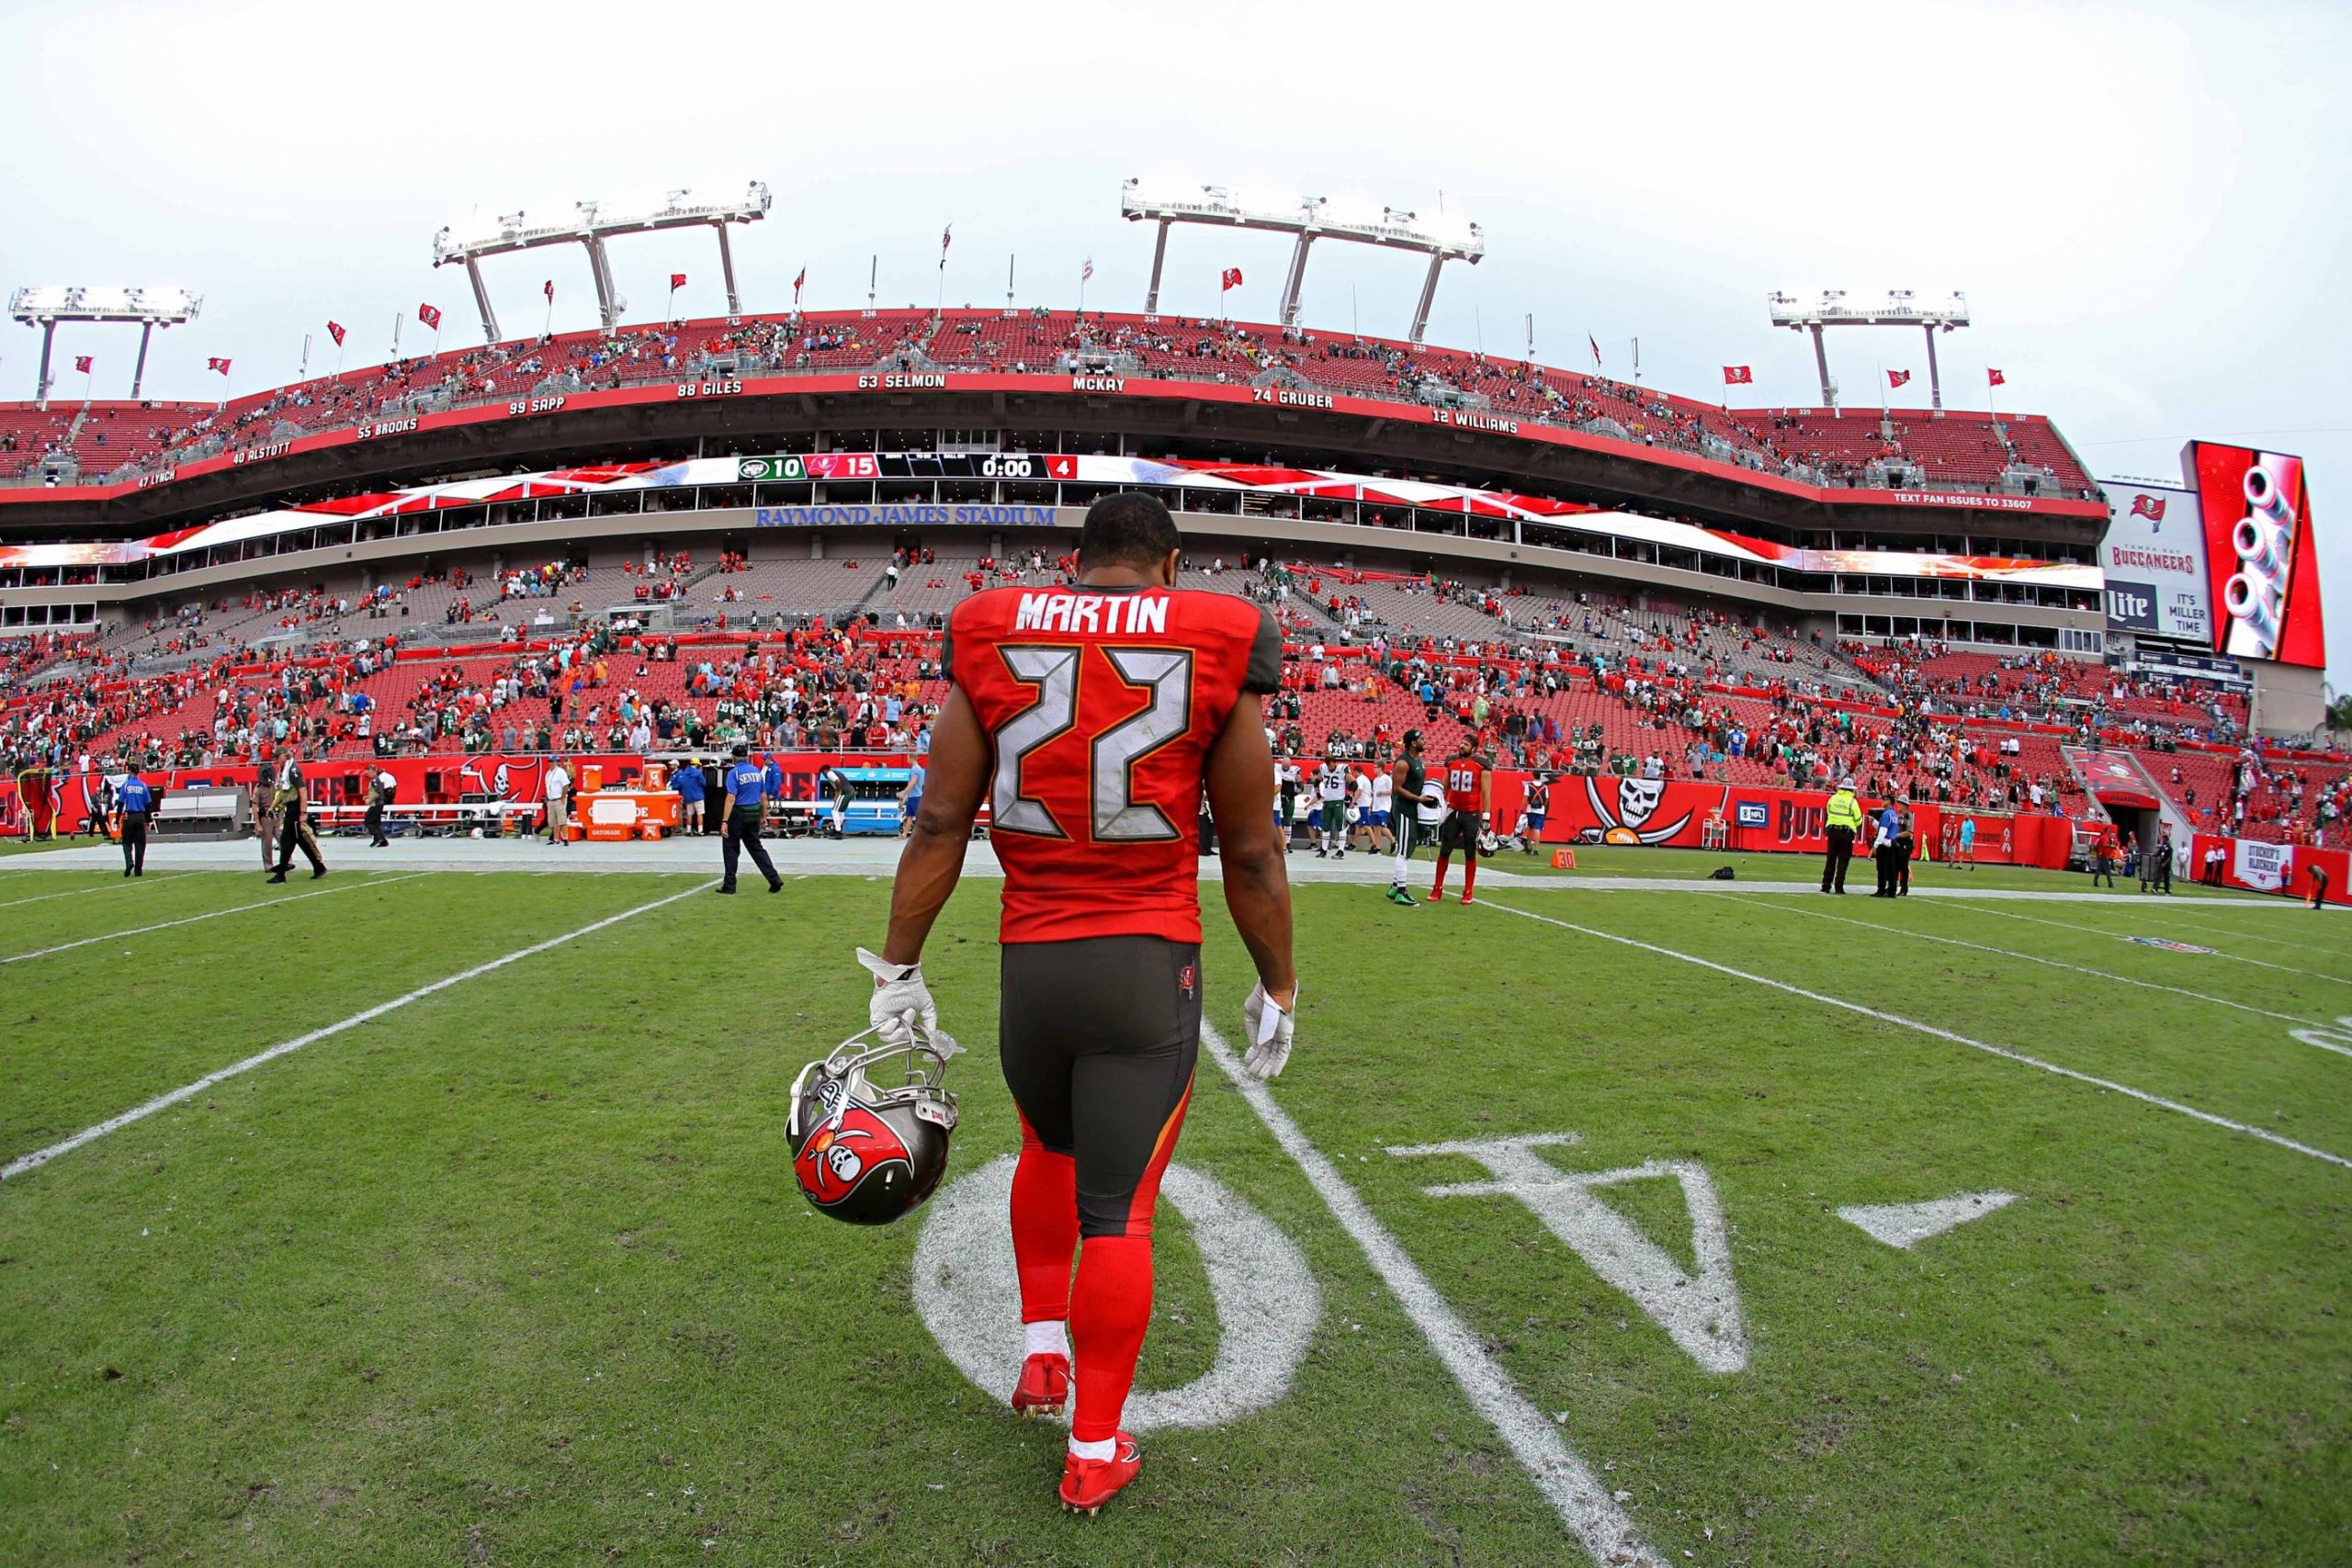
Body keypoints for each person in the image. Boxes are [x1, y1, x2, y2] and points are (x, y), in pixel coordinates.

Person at [860, 491, 1296, 1515]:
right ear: (1171, 564)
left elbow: (937, 821)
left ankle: (1038, 1354)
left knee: (1044, 1153)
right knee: (1120, 1215)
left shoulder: (992, 627)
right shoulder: (1220, 636)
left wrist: (898, 969)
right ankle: (1093, 1447)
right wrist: (1277, 980)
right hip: (1145, 961)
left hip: (1032, 966)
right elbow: (1249, 845)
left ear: (1078, 562)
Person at [1428, 738, 1490, 905]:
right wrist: (1440, 809)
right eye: (1461, 743)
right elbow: (1444, 788)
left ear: (1474, 748)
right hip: (1453, 812)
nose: (1462, 746)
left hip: (1471, 814)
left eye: (1466, 744)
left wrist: (1486, 817)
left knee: (1470, 853)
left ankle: (1468, 891)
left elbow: (1486, 793)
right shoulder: (1452, 762)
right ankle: (1437, 888)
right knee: (1444, 850)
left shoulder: (1482, 766)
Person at [718, 743, 783, 894]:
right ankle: (774, 879)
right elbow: (764, 797)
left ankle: (730, 884)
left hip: (738, 814)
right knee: (756, 848)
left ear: (733, 757)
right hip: (753, 814)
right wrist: (763, 816)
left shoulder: (734, 773)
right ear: (746, 756)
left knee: (731, 849)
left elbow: (731, 798)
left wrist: (724, 821)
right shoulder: (756, 772)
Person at [266, 743, 326, 883]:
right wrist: (272, 807)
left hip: (295, 809)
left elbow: (303, 791)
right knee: (298, 841)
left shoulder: (293, 770)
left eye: (277, 758)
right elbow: (283, 793)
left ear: (283, 756)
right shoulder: (284, 771)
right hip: (290, 809)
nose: (276, 761)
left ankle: (281, 874)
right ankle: (318, 867)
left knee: (287, 841)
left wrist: (303, 812)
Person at [1385, 728, 1429, 908]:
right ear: (1413, 742)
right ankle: (1401, 892)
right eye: (1421, 739)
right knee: (1403, 851)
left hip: (1412, 810)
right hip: (1403, 810)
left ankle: (1395, 887)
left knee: (1409, 847)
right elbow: (1396, 789)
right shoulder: (1403, 762)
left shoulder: (1418, 760)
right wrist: (1418, 798)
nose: (1424, 741)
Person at [1822, 781, 1861, 895]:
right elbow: (1858, 819)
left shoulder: (1833, 798)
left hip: (1833, 831)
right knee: (1843, 860)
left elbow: (1828, 812)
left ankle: (1826, 885)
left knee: (1831, 859)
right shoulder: (1852, 801)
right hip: (1846, 833)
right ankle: (1839, 887)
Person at [116, 767, 154, 877]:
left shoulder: (126, 785)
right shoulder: (143, 786)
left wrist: (118, 817)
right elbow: (148, 804)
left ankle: (129, 862)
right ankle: (138, 870)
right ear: (138, 773)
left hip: (129, 817)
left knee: (126, 842)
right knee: (140, 845)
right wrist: (148, 820)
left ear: (130, 772)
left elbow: (120, 803)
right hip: (140, 816)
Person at [1313, 760, 1347, 859]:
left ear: (1335, 763)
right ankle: (1324, 850)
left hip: (1338, 801)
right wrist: (1318, 793)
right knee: (1326, 827)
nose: (1330, 768)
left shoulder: (1342, 769)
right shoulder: (1323, 768)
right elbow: (1317, 781)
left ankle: (1341, 851)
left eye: (1332, 766)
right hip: (1327, 801)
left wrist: (1350, 795)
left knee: (1341, 826)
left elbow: (1353, 783)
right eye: (1329, 766)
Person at [365, 767, 396, 847]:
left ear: (372, 771)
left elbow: (376, 792)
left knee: (368, 822)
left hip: (376, 803)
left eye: (368, 771)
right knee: (376, 823)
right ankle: (383, 841)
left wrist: (368, 800)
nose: (367, 773)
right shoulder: (379, 779)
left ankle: (377, 838)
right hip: (379, 803)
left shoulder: (375, 780)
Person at [544, 759, 572, 846]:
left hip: (559, 799)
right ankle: (556, 839)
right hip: (551, 800)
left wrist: (563, 797)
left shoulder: (560, 772)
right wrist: (547, 798)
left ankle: (565, 838)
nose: (551, 763)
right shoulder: (548, 773)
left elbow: (566, 785)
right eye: (549, 761)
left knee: (562, 820)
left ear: (556, 762)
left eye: (553, 761)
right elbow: (547, 787)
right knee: (553, 822)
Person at [898, 759, 928, 839]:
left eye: (907, 758)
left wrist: (904, 793)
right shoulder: (919, 769)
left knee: (919, 817)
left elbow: (912, 782)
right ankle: (904, 834)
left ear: (911, 758)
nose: (907, 760)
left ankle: (923, 835)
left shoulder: (915, 769)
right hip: (912, 796)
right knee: (909, 816)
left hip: (916, 797)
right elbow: (922, 783)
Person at [676, 757, 706, 837]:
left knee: (689, 814)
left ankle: (688, 831)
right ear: (697, 764)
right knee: (700, 813)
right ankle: (700, 830)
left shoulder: (684, 772)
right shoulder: (698, 773)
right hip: (698, 796)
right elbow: (703, 783)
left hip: (688, 797)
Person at [1521, 773, 1549, 854]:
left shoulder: (1529, 786)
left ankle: (1529, 847)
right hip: (1541, 810)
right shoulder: (1545, 786)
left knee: (1530, 828)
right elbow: (1547, 799)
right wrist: (1543, 806)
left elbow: (1525, 798)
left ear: (1533, 776)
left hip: (1530, 809)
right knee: (1537, 829)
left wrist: (1522, 808)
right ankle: (1536, 849)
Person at [1894, 804, 1917, 897]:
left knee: (1903, 866)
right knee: (1894, 866)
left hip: (1905, 843)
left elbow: (1909, 832)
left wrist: (1897, 835)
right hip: (1898, 843)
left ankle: (1904, 888)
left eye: (1900, 804)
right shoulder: (1899, 816)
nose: (1898, 805)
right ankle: (1893, 887)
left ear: (1904, 805)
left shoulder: (1908, 815)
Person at [2149, 827, 2174, 895]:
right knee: (2158, 876)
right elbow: (2158, 853)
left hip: (2166, 865)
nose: (2162, 840)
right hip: (2161, 863)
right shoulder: (2162, 847)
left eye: (2163, 838)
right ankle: (2155, 888)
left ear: (2166, 839)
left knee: (2166, 878)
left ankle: (2167, 891)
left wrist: (2165, 863)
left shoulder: (2170, 848)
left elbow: (2169, 858)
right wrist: (2154, 854)